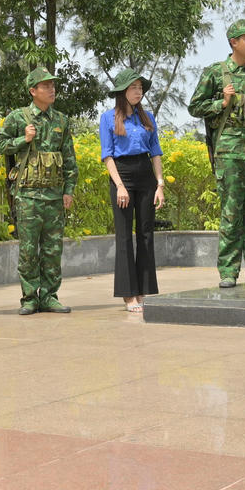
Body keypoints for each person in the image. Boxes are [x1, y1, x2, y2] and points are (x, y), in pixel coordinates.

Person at [187, 20, 245, 289]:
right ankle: (228, 272)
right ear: (233, 42)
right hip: (228, 152)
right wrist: (222, 102)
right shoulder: (216, 73)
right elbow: (195, 106)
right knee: (231, 213)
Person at [0, 67, 78, 315]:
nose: (51, 89)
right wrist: (23, 140)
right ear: (33, 91)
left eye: (53, 85)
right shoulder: (19, 118)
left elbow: (70, 159)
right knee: (29, 250)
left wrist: (68, 190)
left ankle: (50, 297)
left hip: (54, 196)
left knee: (53, 250)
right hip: (28, 195)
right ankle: (29, 298)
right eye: (45, 86)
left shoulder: (61, 120)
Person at [99, 69, 164, 313]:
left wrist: (160, 184)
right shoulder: (108, 118)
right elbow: (107, 155)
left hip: (145, 173)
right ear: (122, 92)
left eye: (140, 88)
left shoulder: (147, 118)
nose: (139, 92)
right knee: (124, 235)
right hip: (122, 175)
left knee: (146, 233)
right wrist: (119, 186)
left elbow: (156, 152)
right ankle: (128, 295)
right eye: (134, 87)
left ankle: (143, 290)